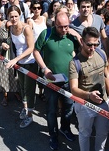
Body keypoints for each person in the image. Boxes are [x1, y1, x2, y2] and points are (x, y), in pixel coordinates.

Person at [33, 11, 80, 150]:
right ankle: (53, 136)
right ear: (55, 25)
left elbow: (83, 49)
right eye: (61, 27)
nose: (64, 30)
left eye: (67, 26)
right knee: (51, 111)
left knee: (68, 108)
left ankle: (65, 129)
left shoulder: (71, 36)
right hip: (51, 81)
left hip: (68, 81)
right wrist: (45, 69)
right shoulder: (46, 34)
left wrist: (77, 35)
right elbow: (36, 51)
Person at [69, 27, 109, 151]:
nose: (93, 48)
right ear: (82, 42)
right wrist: (89, 95)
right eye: (89, 44)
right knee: (85, 134)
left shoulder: (101, 54)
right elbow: (73, 89)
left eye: (96, 44)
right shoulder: (75, 63)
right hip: (84, 105)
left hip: (103, 103)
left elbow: (106, 75)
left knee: (103, 132)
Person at [5, 5, 37, 128]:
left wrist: (16, 59)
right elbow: (15, 44)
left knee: (29, 90)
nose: (13, 19)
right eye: (11, 16)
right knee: (22, 88)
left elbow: (31, 48)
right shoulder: (11, 28)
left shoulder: (26, 28)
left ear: (20, 16)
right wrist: (6, 44)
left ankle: (30, 116)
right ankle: (25, 108)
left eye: (16, 16)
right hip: (19, 63)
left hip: (30, 63)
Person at [0, 7, 20, 106]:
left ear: (0, 16)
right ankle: (5, 96)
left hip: (9, 52)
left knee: (12, 73)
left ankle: (15, 92)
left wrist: (7, 44)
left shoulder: (7, 24)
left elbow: (14, 32)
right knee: (2, 75)